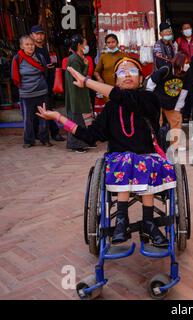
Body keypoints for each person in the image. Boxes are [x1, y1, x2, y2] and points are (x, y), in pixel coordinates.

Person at [36, 57, 174, 247]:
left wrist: (86, 82)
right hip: (120, 161)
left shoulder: (149, 99)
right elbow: (90, 136)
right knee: (125, 159)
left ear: (141, 80)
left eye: (133, 71)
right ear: (116, 81)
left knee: (144, 161)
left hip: (146, 159)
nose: (127, 75)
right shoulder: (110, 109)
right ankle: (121, 220)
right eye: (122, 72)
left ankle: (148, 222)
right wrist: (59, 117)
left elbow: (125, 98)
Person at [11, 35, 51, 148]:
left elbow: (45, 72)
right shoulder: (17, 58)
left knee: (44, 117)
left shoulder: (39, 56)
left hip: (41, 92)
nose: (30, 47)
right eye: (27, 44)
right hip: (26, 93)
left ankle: (44, 139)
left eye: (32, 44)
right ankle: (28, 141)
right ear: (21, 46)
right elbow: (14, 76)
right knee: (27, 119)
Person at [146, 52, 190, 150]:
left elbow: (184, 90)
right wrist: (150, 99)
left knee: (177, 121)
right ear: (180, 62)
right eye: (186, 63)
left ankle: (176, 145)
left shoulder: (186, 74)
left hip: (172, 102)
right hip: (157, 100)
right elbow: (151, 82)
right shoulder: (165, 69)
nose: (188, 65)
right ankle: (154, 144)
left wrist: (178, 107)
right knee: (156, 122)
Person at [30, 24, 65, 142]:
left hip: (47, 83)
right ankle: (53, 133)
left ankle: (42, 133)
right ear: (31, 35)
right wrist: (45, 67)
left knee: (46, 107)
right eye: (37, 34)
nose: (39, 36)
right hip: (37, 84)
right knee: (44, 109)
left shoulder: (45, 48)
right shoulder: (31, 49)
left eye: (41, 34)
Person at [65, 34, 93, 153]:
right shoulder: (74, 59)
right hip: (76, 93)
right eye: (85, 43)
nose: (86, 46)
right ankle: (76, 144)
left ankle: (80, 142)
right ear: (79, 45)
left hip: (78, 92)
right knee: (77, 118)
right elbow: (79, 77)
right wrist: (86, 66)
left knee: (79, 118)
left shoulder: (76, 58)